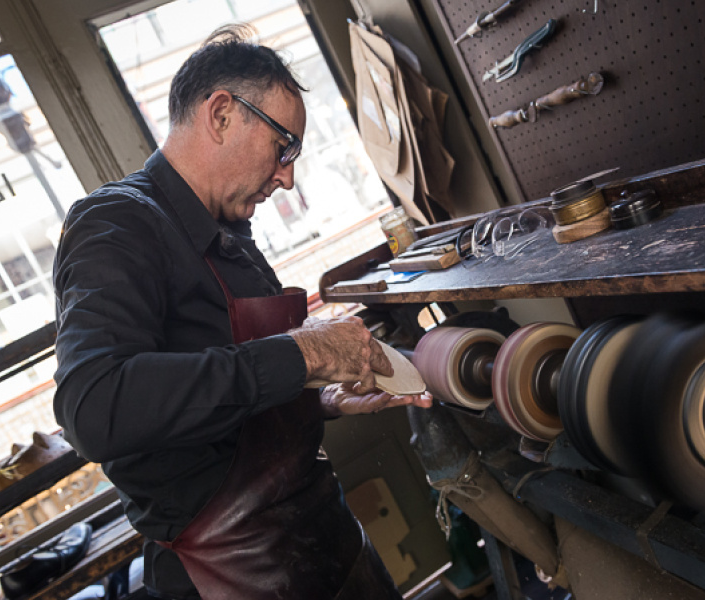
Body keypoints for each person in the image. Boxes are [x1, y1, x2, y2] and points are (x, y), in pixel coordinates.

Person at [53, 25, 432, 600]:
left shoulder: (228, 228)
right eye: (284, 147)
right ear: (223, 114)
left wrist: (319, 393)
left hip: (330, 546)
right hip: (237, 576)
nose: (287, 176)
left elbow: (232, 397)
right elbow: (95, 408)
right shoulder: (117, 224)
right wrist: (304, 353)